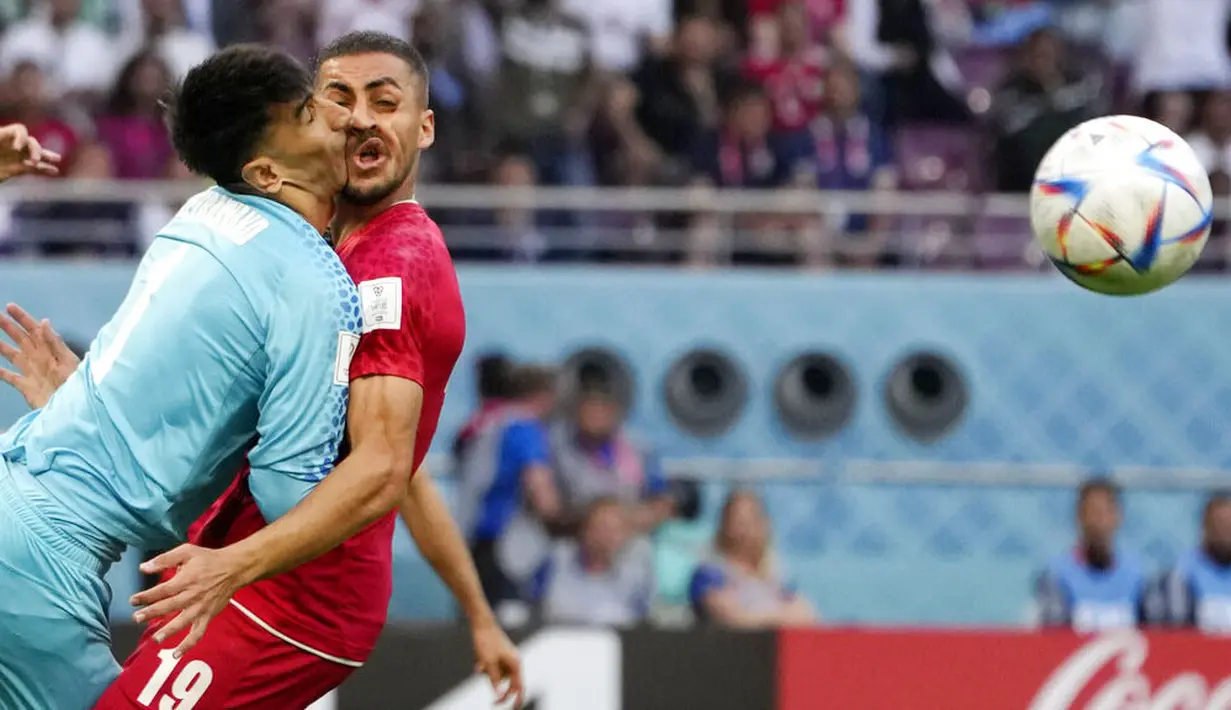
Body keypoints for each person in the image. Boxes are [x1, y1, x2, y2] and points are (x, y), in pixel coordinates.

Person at [1, 33, 524, 709]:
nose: (351, 118)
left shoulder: (325, 251)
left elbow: (387, 464)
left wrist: (88, 415)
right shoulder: (313, 265)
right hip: (154, 564)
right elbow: (367, 463)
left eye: (381, 101)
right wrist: (92, 412)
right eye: (327, 102)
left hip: (283, 590)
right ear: (269, 169)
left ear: (426, 127)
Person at [0, 43, 361, 710]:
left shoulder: (199, 213)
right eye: (311, 115)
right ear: (265, 170)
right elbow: (285, 497)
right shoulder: (317, 286)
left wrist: (79, 403)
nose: (342, 118)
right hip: (38, 564)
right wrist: (379, 474)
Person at [690, 489, 817, 628]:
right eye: (738, 520)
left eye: (752, 519)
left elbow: (805, 613)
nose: (746, 528)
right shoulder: (710, 573)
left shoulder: (775, 576)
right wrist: (779, 617)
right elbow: (732, 618)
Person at [1035, 478, 1147, 632]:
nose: (1099, 522)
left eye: (1106, 512)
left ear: (1118, 517)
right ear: (1079, 517)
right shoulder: (1057, 576)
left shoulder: (1136, 576)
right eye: (1093, 512)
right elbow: (1053, 636)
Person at [1149, 491, 1231, 632]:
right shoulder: (1182, 574)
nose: (1224, 531)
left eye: (1228, 524)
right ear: (1205, 526)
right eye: (1218, 523)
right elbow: (1175, 632)